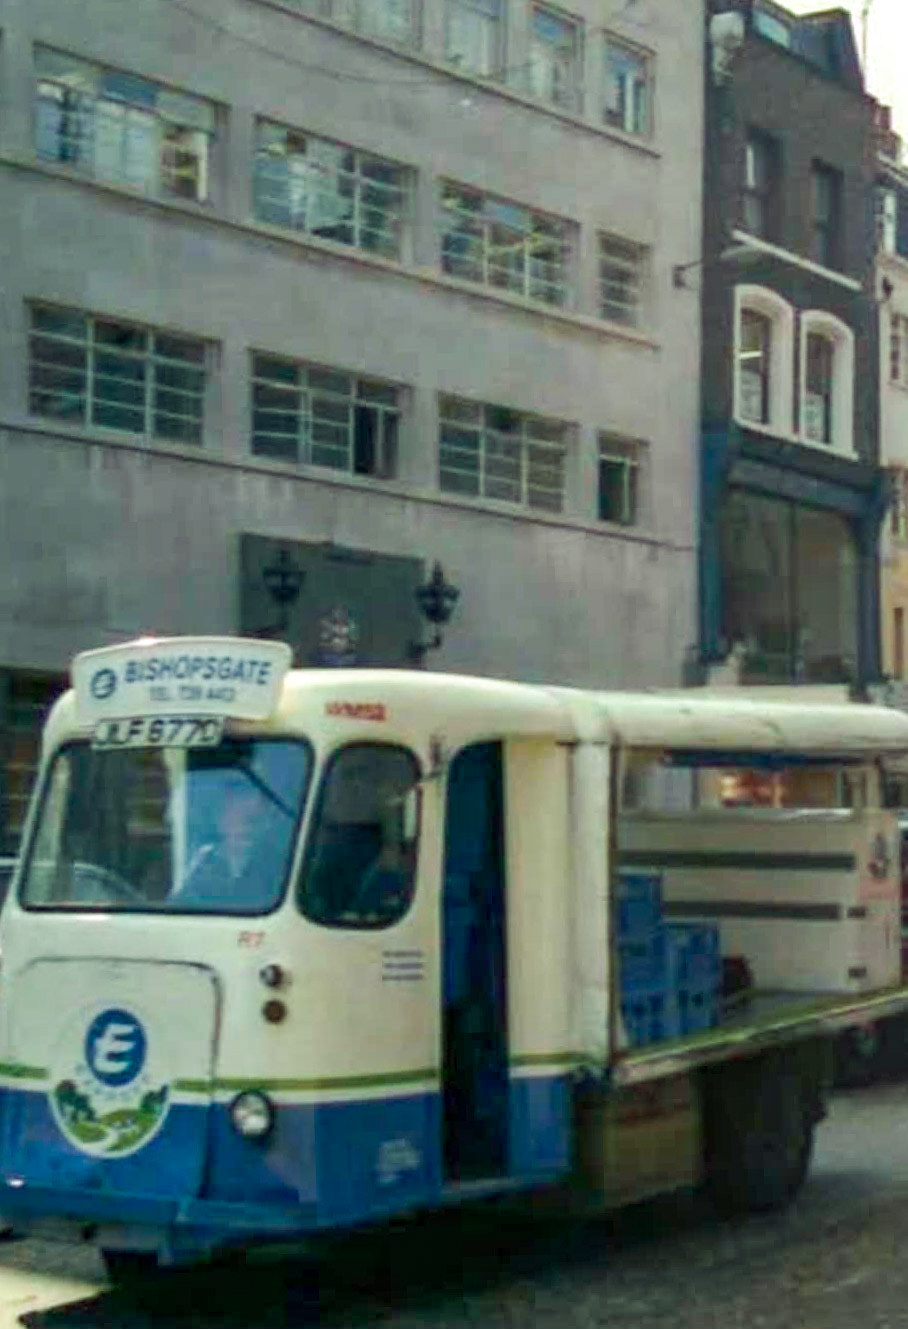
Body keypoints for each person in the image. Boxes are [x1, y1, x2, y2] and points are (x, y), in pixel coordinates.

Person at [176, 778, 281, 911]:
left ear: (269, 823)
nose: (247, 826)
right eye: (238, 816)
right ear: (220, 820)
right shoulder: (198, 863)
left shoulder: (280, 868)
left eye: (255, 819)